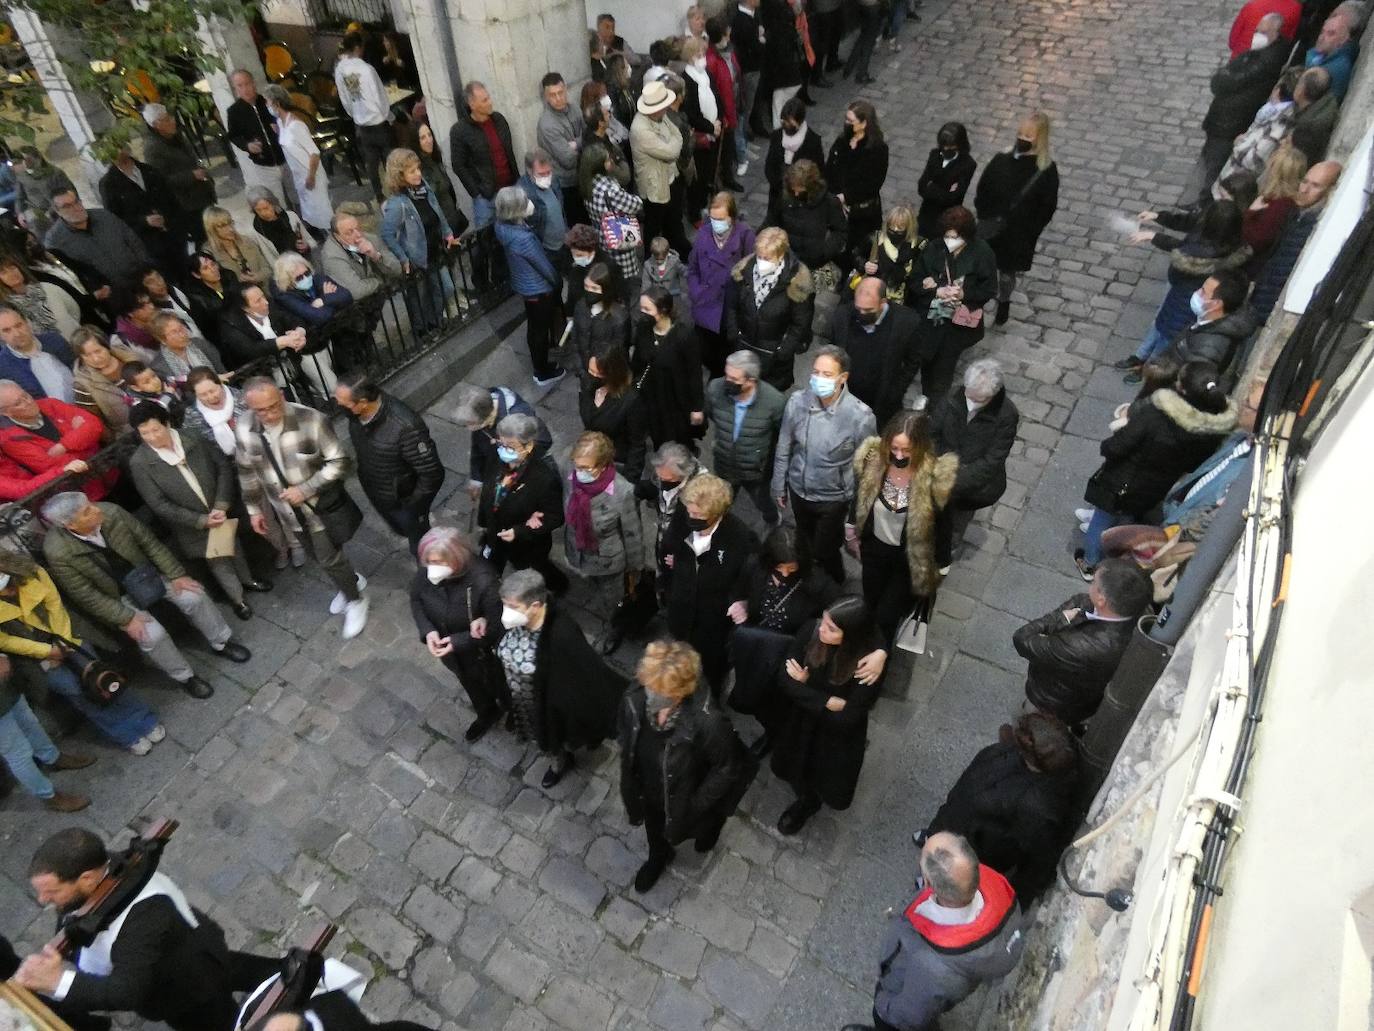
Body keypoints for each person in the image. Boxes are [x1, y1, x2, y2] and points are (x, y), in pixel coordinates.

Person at [15, 827, 279, 1030]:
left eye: (52, 892)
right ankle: (284, 972)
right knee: (232, 968)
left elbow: (125, 992)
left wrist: (57, 981)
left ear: (87, 879)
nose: (42, 900)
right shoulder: (103, 872)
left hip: (188, 990)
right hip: (186, 950)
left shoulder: (141, 921)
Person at [41, 492, 252, 698]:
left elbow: (150, 543)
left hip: (146, 574)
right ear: (71, 525)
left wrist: (176, 574)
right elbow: (86, 594)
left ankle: (222, 641)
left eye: (91, 503)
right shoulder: (58, 552)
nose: (96, 509)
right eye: (87, 511)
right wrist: (125, 618)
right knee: (151, 635)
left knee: (193, 595)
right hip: (117, 596)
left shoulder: (112, 512)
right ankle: (185, 677)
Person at [841, 833, 1025, 1031]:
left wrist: (883, 1005)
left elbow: (909, 1015)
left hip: (897, 1003)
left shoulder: (934, 968)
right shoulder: (998, 891)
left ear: (928, 884)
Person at [617, 639, 756, 892]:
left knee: (700, 826)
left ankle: (708, 833)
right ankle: (659, 857)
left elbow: (727, 768)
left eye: (658, 691)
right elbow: (627, 732)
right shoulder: (639, 694)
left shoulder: (708, 723)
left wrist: (695, 804)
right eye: (649, 686)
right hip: (650, 790)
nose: (649, 694)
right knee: (655, 827)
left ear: (678, 693)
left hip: (687, 794)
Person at [236, 379, 370, 638]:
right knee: (315, 554)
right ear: (249, 407)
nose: (270, 414)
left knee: (328, 557)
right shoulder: (244, 427)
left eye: (274, 406)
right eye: (261, 410)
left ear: (281, 395)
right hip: (285, 511)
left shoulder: (311, 420)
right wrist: (254, 509)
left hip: (316, 508)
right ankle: (349, 580)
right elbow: (246, 471)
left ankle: (355, 599)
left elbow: (340, 461)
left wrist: (306, 488)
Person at [1078, 362, 1238, 577]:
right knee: (1128, 521)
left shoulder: (1156, 415)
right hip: (1156, 487)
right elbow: (1193, 465)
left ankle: (1090, 563)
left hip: (1124, 480)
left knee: (1102, 520)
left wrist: (1107, 447)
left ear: (1182, 389)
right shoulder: (1214, 430)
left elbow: (1119, 446)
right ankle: (1115, 561)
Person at [0, 547, 163, 757]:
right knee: (79, 695)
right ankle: (127, 735)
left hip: (68, 638)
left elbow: (55, 603)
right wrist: (47, 651)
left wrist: (63, 643)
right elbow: (5, 640)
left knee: (105, 679)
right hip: (37, 657)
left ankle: (145, 719)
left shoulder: (32, 571)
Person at [128, 402, 270, 621]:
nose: (152, 437)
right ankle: (237, 599)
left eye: (156, 430)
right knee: (218, 562)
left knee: (235, 547)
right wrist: (201, 520)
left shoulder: (192, 436)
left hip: (219, 509)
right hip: (193, 524)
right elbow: (159, 504)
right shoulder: (140, 463)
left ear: (167, 424)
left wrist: (221, 504)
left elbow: (222, 467)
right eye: (145, 433)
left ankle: (248, 580)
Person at [919, 712, 1079, 903]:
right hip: (956, 817)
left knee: (950, 868)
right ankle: (933, 836)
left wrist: (1017, 897)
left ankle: (937, 881)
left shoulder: (1037, 807)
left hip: (981, 844)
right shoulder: (1004, 752)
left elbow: (1038, 857)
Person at [770, 594, 885, 834]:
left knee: (823, 773)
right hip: (802, 722)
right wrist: (826, 701)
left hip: (834, 736)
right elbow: (784, 679)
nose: (822, 629)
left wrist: (804, 686)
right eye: (824, 620)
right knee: (796, 764)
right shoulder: (812, 631)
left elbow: (849, 717)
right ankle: (805, 798)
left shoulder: (865, 666)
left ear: (850, 635)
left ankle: (810, 800)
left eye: (832, 629)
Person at [850, 409, 957, 644]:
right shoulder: (873, 462)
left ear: (919, 446)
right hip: (874, 550)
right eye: (894, 448)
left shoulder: (934, 477)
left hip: (907, 559)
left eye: (906, 450)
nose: (898, 455)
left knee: (887, 615)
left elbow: (944, 525)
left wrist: (942, 563)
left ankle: (880, 653)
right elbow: (860, 497)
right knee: (871, 601)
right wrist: (852, 527)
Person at [773, 345, 877, 582]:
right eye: (816, 372)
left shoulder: (860, 417)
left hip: (833, 499)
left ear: (843, 378)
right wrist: (779, 484)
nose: (819, 379)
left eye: (827, 374)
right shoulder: (797, 402)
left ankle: (833, 583)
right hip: (799, 491)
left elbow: (869, 467)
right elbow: (784, 445)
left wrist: (856, 513)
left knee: (825, 550)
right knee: (803, 539)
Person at [1013, 559, 1153, 729]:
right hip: (1085, 699)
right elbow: (1080, 600)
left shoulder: (1081, 646)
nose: (1089, 587)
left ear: (1101, 600)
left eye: (1094, 582)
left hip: (1051, 702)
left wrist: (1061, 618)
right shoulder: (1139, 614)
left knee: (1025, 727)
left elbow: (1022, 639)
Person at [1119, 200, 1250, 377]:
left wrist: (1154, 235)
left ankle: (1145, 369)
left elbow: (1181, 251)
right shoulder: (1232, 248)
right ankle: (1140, 358)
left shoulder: (1200, 253)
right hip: (1181, 302)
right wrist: (1158, 221)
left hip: (1181, 305)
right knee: (1159, 328)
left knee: (1164, 338)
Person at [410, 526, 507, 742]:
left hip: (483, 656)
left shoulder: (484, 581)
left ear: (455, 558)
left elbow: (495, 626)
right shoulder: (428, 572)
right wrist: (428, 631)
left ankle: (512, 711)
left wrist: (458, 641)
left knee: (499, 685)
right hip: (455, 656)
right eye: (429, 562)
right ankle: (487, 713)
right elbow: (416, 598)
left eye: (438, 562)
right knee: (471, 685)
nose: (431, 568)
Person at [665, 472, 758, 691]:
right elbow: (671, 542)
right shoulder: (684, 514)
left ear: (717, 513)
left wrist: (739, 601)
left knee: (710, 665)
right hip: (682, 607)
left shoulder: (740, 538)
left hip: (713, 619)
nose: (691, 516)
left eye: (698, 514)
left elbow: (747, 577)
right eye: (689, 510)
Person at [334, 371, 445, 553]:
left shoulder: (406, 426)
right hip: (379, 493)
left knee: (420, 542)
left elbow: (432, 473)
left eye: (344, 403)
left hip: (402, 501)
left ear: (362, 403)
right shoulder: (354, 416)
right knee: (401, 528)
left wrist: (413, 506)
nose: (338, 406)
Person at [973, 112, 1060, 326]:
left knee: (1006, 273)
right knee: (980, 268)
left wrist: (1031, 230)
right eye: (1021, 133)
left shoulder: (1046, 170)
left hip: (1018, 233)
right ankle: (975, 307)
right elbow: (983, 188)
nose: (1022, 138)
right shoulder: (1002, 159)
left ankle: (1004, 301)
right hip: (991, 224)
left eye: (1028, 136)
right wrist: (984, 213)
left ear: (1039, 138)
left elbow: (1047, 207)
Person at [1191, 14, 1290, 203]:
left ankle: (1203, 203)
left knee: (1215, 165)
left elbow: (1226, 81)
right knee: (1212, 162)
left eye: (1263, 32)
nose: (1258, 35)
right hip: (1228, 117)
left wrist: (1223, 76)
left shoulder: (1266, 60)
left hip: (1229, 122)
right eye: (1257, 31)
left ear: (1276, 33)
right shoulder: (1262, 52)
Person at [908, 205, 999, 406]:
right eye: (947, 236)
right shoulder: (934, 248)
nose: (950, 241)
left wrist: (965, 294)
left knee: (943, 372)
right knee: (926, 365)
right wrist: (934, 290)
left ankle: (935, 408)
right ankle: (928, 399)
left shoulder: (982, 253)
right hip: (930, 320)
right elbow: (915, 281)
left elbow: (989, 289)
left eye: (955, 237)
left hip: (956, 326)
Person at [929, 359, 1018, 565]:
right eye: (969, 396)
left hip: (971, 486)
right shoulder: (953, 396)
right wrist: (939, 466)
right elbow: (932, 433)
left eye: (979, 399)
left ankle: (948, 549)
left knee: (956, 521)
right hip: (940, 471)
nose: (972, 403)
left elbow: (992, 460)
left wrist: (954, 481)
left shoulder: (1006, 415)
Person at [562, 430, 643, 648]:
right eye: (578, 466)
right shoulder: (569, 473)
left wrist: (634, 568)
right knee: (593, 583)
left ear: (603, 465)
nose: (580, 472)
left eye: (586, 468)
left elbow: (632, 533)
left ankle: (614, 627)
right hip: (579, 550)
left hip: (607, 560)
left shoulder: (622, 492)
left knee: (612, 598)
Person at [476, 412, 567, 591]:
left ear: (529, 445)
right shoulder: (495, 457)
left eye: (511, 446)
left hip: (526, 544)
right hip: (495, 533)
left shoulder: (544, 478)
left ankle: (556, 586)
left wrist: (520, 531)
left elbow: (555, 516)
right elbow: (489, 489)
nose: (503, 449)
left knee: (533, 569)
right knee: (489, 569)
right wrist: (484, 521)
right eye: (501, 443)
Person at [722, 226, 815, 390]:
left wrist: (783, 350)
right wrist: (733, 333)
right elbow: (731, 305)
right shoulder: (742, 272)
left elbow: (801, 323)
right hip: (743, 346)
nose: (761, 262)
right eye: (759, 256)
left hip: (773, 358)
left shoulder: (797, 283)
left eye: (767, 258)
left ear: (781, 255)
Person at [1248, 159, 1342, 320]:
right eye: (1304, 181)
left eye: (1315, 185)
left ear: (1330, 190)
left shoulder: (1313, 224)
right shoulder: (1296, 213)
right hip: (1261, 297)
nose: (1304, 190)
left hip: (1271, 305)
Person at [494, 184, 565, 388]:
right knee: (539, 330)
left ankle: (540, 363)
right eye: (525, 202)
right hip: (539, 289)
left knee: (534, 327)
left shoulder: (502, 226)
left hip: (527, 288)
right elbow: (544, 267)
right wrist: (557, 282)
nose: (530, 204)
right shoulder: (523, 239)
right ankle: (542, 371)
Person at [0, 653, 92, 810]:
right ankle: (49, 796)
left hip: (5, 687)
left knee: (30, 723)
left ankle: (53, 757)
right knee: (18, 753)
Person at [706, 349, 786, 527]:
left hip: (755, 470)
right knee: (722, 499)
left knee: (761, 499)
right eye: (727, 375)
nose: (727, 382)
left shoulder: (774, 402)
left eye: (734, 379)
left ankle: (772, 519)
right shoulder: (715, 389)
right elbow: (713, 415)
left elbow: (782, 434)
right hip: (724, 462)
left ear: (751, 381)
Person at [381, 147, 458, 332]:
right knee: (421, 296)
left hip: (434, 250)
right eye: (412, 171)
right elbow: (387, 234)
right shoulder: (397, 204)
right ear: (400, 175)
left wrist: (447, 233)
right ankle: (425, 329)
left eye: (418, 168)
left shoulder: (424, 188)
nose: (418, 174)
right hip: (417, 258)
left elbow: (437, 210)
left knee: (445, 288)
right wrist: (403, 258)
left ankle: (435, 322)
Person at [832, 277, 924, 428]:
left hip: (881, 402)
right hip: (845, 397)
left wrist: (897, 390)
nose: (862, 313)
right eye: (858, 308)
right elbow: (834, 352)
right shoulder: (843, 316)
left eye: (868, 310)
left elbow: (913, 360)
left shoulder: (907, 322)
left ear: (883, 302)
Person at [687, 192, 757, 376]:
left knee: (724, 355)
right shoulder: (703, 234)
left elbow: (751, 272)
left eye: (720, 219)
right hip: (705, 305)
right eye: (713, 218)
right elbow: (693, 268)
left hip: (729, 309)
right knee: (704, 351)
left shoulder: (745, 236)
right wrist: (696, 292)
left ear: (731, 217)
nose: (716, 223)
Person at [0, 380, 107, 498]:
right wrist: (78, 434)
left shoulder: (50, 404)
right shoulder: (11, 439)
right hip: (85, 490)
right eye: (18, 403)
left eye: (25, 395)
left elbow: (95, 424)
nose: (28, 401)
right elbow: (51, 466)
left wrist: (63, 446)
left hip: (109, 466)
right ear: (6, 413)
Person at [452, 383, 552, 500]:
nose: (469, 428)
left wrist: (517, 457)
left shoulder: (519, 417)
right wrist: (477, 478)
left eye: (470, 424)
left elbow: (544, 441)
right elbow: (478, 446)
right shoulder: (482, 412)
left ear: (487, 417)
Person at [633, 285, 704, 448]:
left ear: (663, 310)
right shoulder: (643, 328)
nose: (643, 313)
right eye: (641, 308)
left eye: (647, 309)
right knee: (657, 436)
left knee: (679, 440)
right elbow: (637, 361)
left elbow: (694, 373)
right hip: (652, 396)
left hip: (676, 399)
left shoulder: (684, 335)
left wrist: (697, 407)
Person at [97, 146, 184, 273]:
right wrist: (144, 221)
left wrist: (175, 223)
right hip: (147, 246)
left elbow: (171, 200)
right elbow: (116, 220)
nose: (120, 150)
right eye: (115, 147)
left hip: (173, 237)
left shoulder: (149, 170)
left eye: (121, 144)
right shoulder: (108, 184)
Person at [44, 188, 152, 290]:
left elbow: (133, 241)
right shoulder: (54, 241)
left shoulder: (104, 216)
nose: (75, 208)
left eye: (76, 202)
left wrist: (147, 269)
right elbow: (69, 274)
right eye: (67, 206)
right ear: (58, 211)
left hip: (141, 278)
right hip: (111, 294)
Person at [1211, 70, 1299, 193]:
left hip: (1239, 179)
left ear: (1277, 90)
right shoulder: (1271, 111)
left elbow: (1255, 159)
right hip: (1236, 171)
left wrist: (1239, 144)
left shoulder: (1279, 123)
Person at [449, 81, 518, 236]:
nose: (490, 102)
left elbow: (508, 153)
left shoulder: (499, 120)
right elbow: (458, 165)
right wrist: (476, 193)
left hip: (510, 189)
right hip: (486, 197)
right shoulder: (460, 131)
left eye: (489, 97)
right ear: (472, 104)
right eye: (485, 100)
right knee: (487, 237)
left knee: (515, 234)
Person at [263, 85, 332, 239]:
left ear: (276, 103)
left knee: (322, 213)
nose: (267, 106)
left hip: (310, 175)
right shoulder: (281, 123)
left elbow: (314, 153)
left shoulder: (296, 126)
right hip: (299, 175)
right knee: (311, 213)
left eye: (268, 102)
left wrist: (311, 176)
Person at [141, 103, 216, 245]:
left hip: (202, 194)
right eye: (166, 119)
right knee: (205, 241)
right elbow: (161, 180)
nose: (172, 121)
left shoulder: (175, 136)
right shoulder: (153, 149)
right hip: (187, 204)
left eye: (170, 117)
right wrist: (191, 176)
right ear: (156, 124)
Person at [334, 31, 395, 199]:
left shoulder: (341, 70)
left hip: (361, 124)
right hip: (378, 122)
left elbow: (345, 98)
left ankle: (379, 195)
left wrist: (355, 114)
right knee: (389, 160)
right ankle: (395, 191)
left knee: (371, 162)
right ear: (357, 48)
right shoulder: (367, 70)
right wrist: (388, 116)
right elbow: (380, 96)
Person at [632, 81, 689, 260]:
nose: (666, 109)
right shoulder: (640, 129)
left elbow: (676, 133)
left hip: (669, 179)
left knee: (673, 221)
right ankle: (651, 260)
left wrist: (674, 141)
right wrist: (674, 142)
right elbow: (672, 152)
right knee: (653, 226)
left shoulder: (660, 116)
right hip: (655, 188)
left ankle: (678, 253)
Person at [637, 441, 703, 595]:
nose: (662, 482)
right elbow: (655, 485)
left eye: (667, 479)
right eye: (659, 477)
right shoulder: (665, 472)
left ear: (683, 474)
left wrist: (684, 558)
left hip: (682, 548)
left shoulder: (701, 492)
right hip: (665, 536)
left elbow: (704, 534)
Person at [826, 101, 889, 255]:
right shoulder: (842, 141)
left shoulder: (877, 149)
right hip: (838, 209)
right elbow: (830, 168)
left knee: (861, 251)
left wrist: (846, 196)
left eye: (851, 120)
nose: (846, 123)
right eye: (846, 119)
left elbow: (873, 184)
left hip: (863, 213)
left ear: (864, 123)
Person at [777, 160, 847, 296]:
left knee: (803, 300)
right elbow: (773, 221)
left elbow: (840, 231)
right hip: (785, 261)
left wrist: (823, 252)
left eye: (800, 188)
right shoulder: (785, 197)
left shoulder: (829, 203)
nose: (796, 193)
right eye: (793, 188)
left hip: (811, 265)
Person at [580, 342, 648, 478]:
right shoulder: (588, 384)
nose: (593, 376)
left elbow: (637, 444)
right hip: (594, 452)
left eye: (598, 373)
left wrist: (630, 478)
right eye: (590, 371)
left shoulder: (631, 400)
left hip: (616, 458)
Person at [583, 140, 646, 283]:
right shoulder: (610, 189)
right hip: (617, 236)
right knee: (623, 276)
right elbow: (635, 205)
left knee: (609, 272)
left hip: (600, 235)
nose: (611, 161)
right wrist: (636, 198)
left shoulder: (588, 182)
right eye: (607, 159)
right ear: (599, 165)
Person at [226, 69, 291, 204]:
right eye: (240, 86)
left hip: (285, 157)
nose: (245, 89)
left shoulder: (267, 101)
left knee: (297, 195)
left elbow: (285, 118)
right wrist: (247, 146)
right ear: (235, 89)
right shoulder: (234, 111)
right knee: (276, 201)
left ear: (253, 83)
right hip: (264, 164)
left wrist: (280, 127)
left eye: (247, 84)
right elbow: (233, 135)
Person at [217, 283, 308, 372]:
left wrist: (299, 333)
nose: (265, 302)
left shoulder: (270, 304)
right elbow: (250, 349)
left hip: (290, 361)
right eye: (258, 301)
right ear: (245, 308)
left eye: (263, 296)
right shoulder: (231, 325)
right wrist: (282, 341)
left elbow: (292, 319)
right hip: (259, 372)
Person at [320, 209, 404, 302]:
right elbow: (357, 291)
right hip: (354, 307)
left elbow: (397, 269)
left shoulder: (370, 238)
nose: (358, 235)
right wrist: (381, 281)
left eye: (358, 228)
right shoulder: (331, 256)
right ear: (337, 237)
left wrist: (376, 256)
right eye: (349, 232)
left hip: (376, 298)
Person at [765, 98, 826, 226]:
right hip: (777, 194)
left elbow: (818, 172)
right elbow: (770, 165)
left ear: (800, 121)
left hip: (799, 199)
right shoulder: (777, 136)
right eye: (784, 121)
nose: (786, 125)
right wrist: (777, 183)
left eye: (790, 122)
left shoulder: (812, 141)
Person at [537, 73, 587, 227]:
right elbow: (568, 160)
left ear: (566, 89)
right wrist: (582, 143)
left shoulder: (574, 108)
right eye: (552, 95)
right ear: (546, 97)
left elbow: (589, 135)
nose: (558, 98)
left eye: (560, 92)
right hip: (565, 184)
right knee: (576, 226)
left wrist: (575, 143)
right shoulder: (547, 124)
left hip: (582, 175)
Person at [916, 122, 977, 240]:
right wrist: (945, 190)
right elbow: (921, 187)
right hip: (926, 214)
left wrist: (932, 187)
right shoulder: (935, 155)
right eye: (943, 145)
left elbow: (953, 198)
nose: (946, 149)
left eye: (950, 146)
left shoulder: (967, 165)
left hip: (947, 219)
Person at [0, 303, 74, 400]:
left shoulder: (55, 340)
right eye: (7, 330)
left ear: (27, 322)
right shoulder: (3, 366)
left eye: (19, 325)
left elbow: (78, 370)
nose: (17, 334)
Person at [71, 329, 139, 434]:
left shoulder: (128, 356)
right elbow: (95, 422)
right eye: (87, 355)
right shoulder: (82, 384)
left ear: (106, 346)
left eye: (98, 351)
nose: (96, 359)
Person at [409, 120, 469, 239]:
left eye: (429, 135)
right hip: (440, 230)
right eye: (423, 138)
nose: (429, 140)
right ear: (416, 142)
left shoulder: (434, 160)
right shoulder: (418, 170)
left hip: (452, 220)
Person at [705, 16, 744, 192]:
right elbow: (716, 91)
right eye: (726, 34)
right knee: (723, 149)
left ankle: (727, 175)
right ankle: (722, 178)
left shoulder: (727, 52)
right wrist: (724, 115)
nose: (729, 36)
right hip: (722, 112)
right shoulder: (712, 60)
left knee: (729, 146)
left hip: (732, 104)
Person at [517, 148, 570, 277]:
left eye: (548, 172)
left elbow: (560, 210)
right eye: (541, 174)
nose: (546, 177)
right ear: (529, 171)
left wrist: (566, 231)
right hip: (545, 252)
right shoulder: (522, 193)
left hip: (563, 244)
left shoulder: (553, 181)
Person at [572, 262, 632, 370]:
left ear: (606, 290)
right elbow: (575, 337)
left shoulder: (619, 317)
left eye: (594, 288)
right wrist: (580, 367)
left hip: (606, 372)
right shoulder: (580, 305)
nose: (589, 291)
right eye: (586, 286)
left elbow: (619, 353)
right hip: (584, 368)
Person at [203, 206, 273, 289]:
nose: (230, 229)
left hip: (264, 290)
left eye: (230, 223)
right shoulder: (208, 253)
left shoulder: (246, 241)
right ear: (212, 229)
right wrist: (238, 282)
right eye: (222, 226)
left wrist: (257, 277)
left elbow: (267, 268)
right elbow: (215, 284)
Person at [13, 146, 75, 239]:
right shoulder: (21, 177)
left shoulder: (55, 173)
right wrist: (20, 213)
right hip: (35, 209)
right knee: (35, 223)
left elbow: (70, 192)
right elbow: (19, 197)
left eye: (27, 159)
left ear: (37, 158)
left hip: (59, 207)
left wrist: (52, 210)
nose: (23, 162)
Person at [762, 0, 806, 128]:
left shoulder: (776, 26)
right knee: (780, 98)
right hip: (784, 63)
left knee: (779, 100)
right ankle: (783, 125)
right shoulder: (784, 23)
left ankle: (781, 126)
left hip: (782, 64)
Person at [731, 0, 767, 150]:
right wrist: (762, 41)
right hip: (749, 69)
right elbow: (753, 46)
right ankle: (743, 137)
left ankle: (751, 129)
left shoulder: (752, 15)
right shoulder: (742, 21)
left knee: (754, 101)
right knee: (747, 105)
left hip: (755, 66)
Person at [150, 312, 227, 383]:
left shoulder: (200, 344)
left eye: (181, 328)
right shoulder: (159, 367)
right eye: (174, 332)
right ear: (162, 340)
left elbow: (221, 370)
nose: (182, 335)